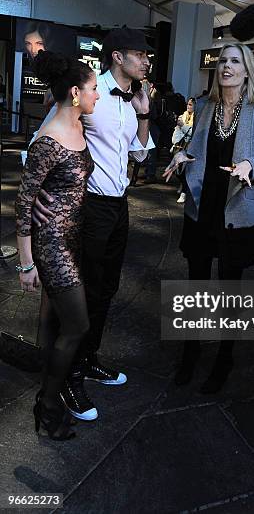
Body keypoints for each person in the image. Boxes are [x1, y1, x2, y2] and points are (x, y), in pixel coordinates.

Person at [31, 28, 155, 422]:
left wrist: (144, 111)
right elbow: (40, 142)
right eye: (141, 54)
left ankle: (89, 359)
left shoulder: (129, 97)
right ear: (118, 57)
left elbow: (138, 152)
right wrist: (41, 196)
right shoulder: (85, 91)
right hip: (90, 207)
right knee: (87, 291)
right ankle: (69, 377)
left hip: (119, 204)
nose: (147, 61)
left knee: (108, 288)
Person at [163, 43, 254, 393]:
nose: (226, 66)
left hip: (239, 208)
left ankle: (224, 358)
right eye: (222, 61)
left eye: (234, 61)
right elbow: (194, 149)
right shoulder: (203, 106)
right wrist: (182, 156)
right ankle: (191, 351)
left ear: (247, 70)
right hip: (203, 206)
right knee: (195, 286)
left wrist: (251, 165)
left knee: (231, 289)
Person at [15, 51, 99, 439]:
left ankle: (50, 386)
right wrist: (26, 262)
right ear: (75, 92)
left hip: (74, 237)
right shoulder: (48, 140)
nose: (97, 94)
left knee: (53, 322)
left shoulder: (81, 126)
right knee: (77, 325)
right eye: (93, 88)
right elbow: (23, 200)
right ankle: (48, 404)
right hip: (51, 244)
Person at [171, 97, 195, 203]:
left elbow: (192, 133)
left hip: (189, 148)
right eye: (188, 104)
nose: (188, 106)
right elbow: (177, 130)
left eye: (191, 104)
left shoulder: (197, 118)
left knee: (185, 171)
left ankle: (184, 193)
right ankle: (182, 184)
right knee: (177, 171)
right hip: (179, 146)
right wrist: (175, 141)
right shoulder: (183, 116)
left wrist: (183, 126)